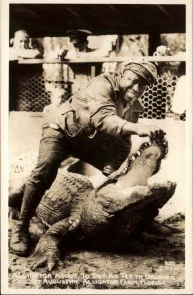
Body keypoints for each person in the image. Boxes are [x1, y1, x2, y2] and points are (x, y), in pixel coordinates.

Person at [10, 61, 163, 256]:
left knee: (121, 174)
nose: (137, 88)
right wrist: (139, 128)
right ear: (122, 75)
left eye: (142, 85)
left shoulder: (134, 106)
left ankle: (131, 218)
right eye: (133, 81)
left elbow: (123, 139)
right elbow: (104, 119)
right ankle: (21, 228)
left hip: (88, 142)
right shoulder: (102, 84)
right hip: (61, 132)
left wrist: (114, 167)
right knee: (45, 171)